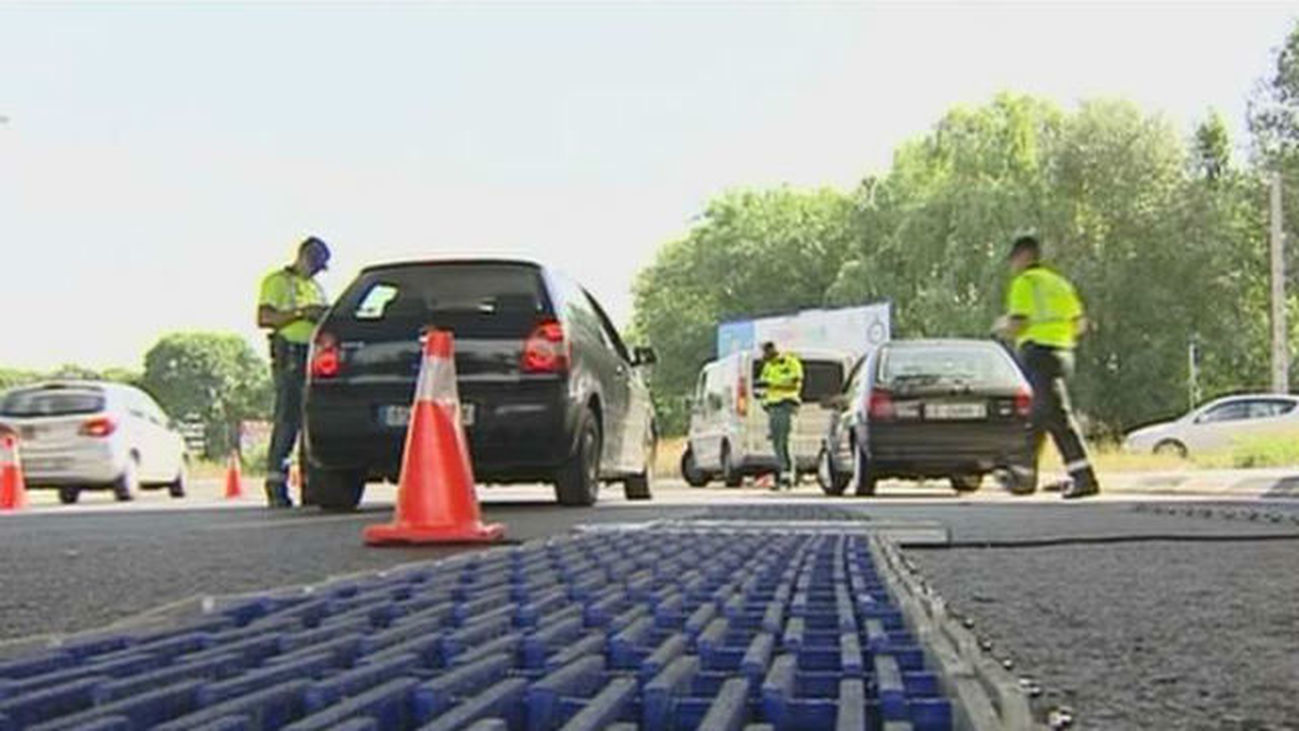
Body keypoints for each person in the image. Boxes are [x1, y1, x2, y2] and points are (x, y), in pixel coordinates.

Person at [996, 235, 1100, 499]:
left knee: (1057, 416)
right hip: (1063, 354)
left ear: (1023, 257)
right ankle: (1023, 476)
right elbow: (1081, 324)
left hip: (1038, 353)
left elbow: (1018, 323)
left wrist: (1000, 328)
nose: (1013, 266)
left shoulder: (1025, 282)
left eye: (1014, 260)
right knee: (1039, 414)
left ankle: (1083, 476)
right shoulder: (1059, 283)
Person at [256, 237, 331, 508]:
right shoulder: (278, 282)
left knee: (311, 420)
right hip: (289, 354)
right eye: (315, 263)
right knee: (288, 419)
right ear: (303, 256)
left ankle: (311, 485)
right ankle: (276, 485)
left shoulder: (316, 287)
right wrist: (301, 313)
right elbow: (264, 318)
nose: (316, 270)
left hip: (313, 355)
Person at [758, 341, 803, 490]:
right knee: (777, 442)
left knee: (785, 441)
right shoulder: (768, 366)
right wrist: (764, 402)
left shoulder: (790, 362)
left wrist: (773, 383)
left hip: (786, 404)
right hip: (773, 407)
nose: (764, 355)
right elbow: (763, 386)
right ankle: (783, 475)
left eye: (766, 351)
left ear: (773, 350)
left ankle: (788, 475)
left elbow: (795, 382)